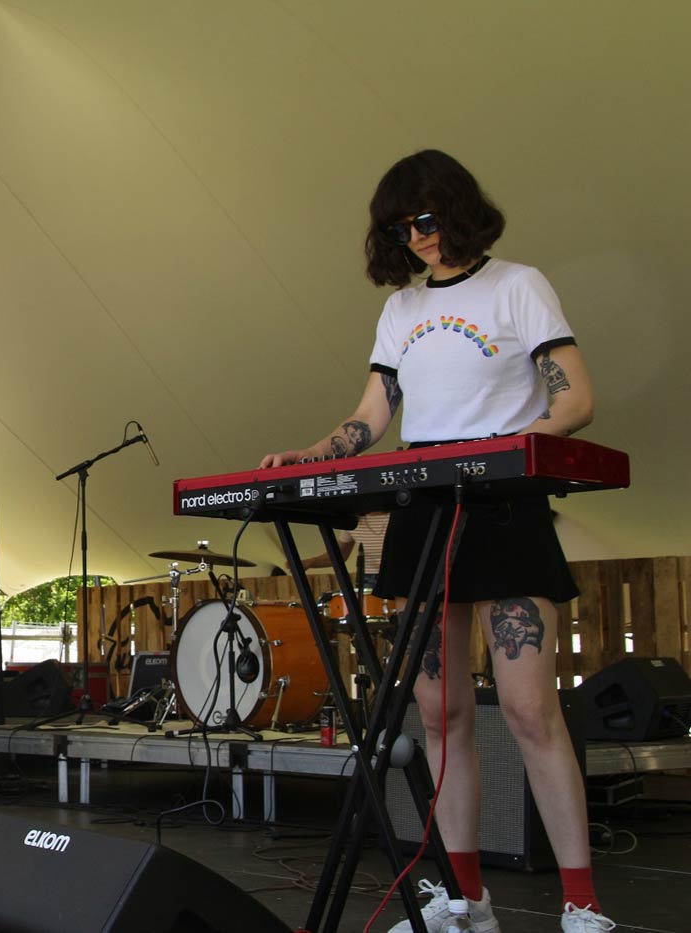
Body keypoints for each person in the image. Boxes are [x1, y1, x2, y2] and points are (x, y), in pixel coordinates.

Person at [261, 150, 612, 933]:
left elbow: (575, 398)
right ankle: (465, 900)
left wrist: (506, 451)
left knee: (529, 709)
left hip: (505, 504)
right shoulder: (402, 309)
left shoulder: (518, 285)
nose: (417, 237)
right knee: (438, 714)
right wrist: (315, 456)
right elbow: (372, 412)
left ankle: (584, 904)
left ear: (456, 208)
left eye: (425, 219)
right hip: (425, 509)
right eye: (400, 228)